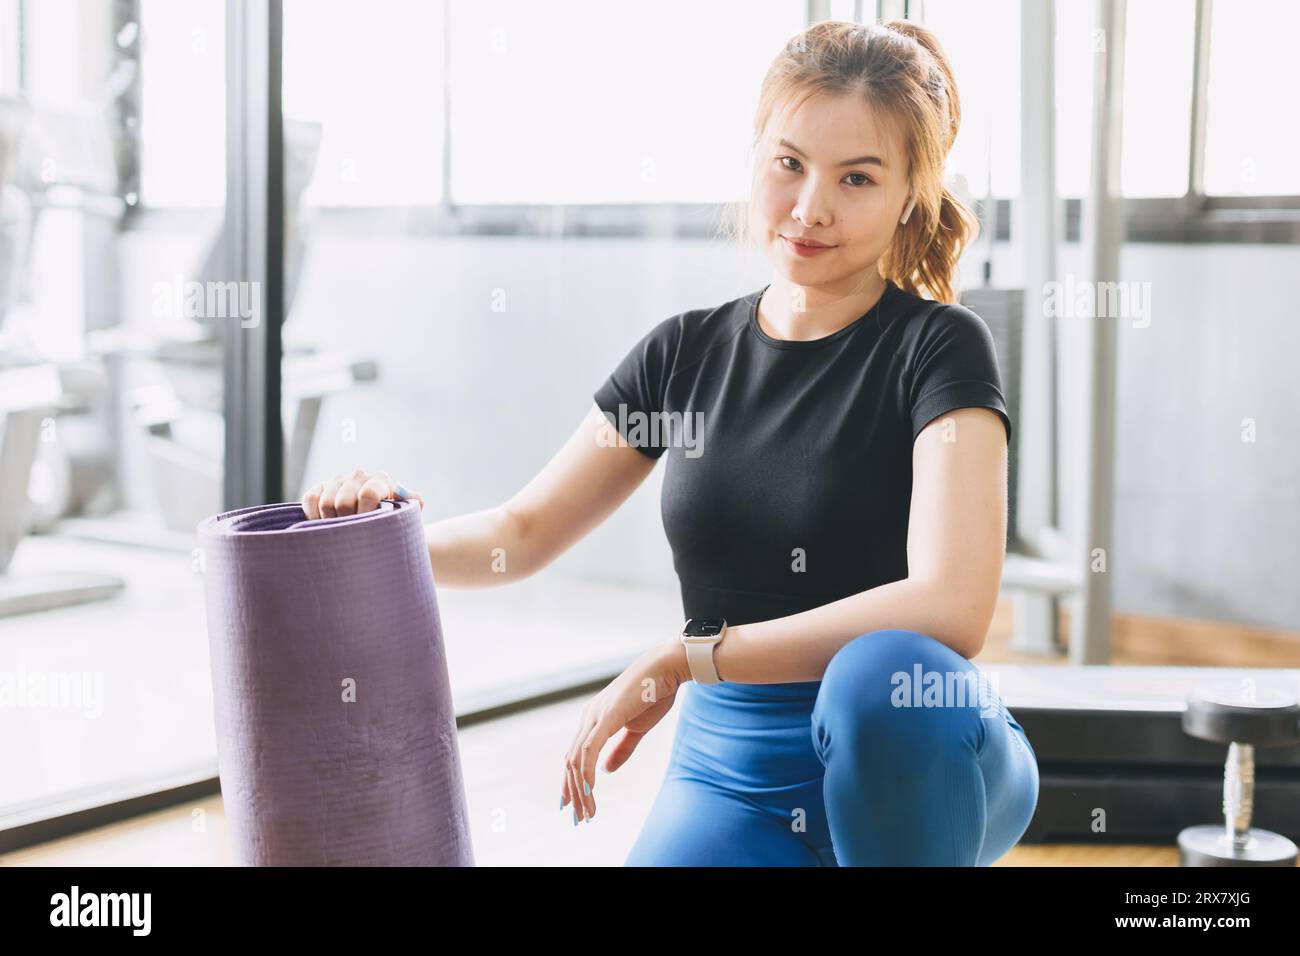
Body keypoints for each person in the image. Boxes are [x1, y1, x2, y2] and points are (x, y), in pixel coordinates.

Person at [301, 19, 1039, 866]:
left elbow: (953, 604)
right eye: (789, 163)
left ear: (912, 191)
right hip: (735, 766)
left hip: (919, 735)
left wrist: (690, 658)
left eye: (858, 178)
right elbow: (523, 534)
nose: (810, 208)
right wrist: (373, 542)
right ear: (756, 154)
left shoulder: (938, 347)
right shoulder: (685, 354)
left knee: (877, 683)